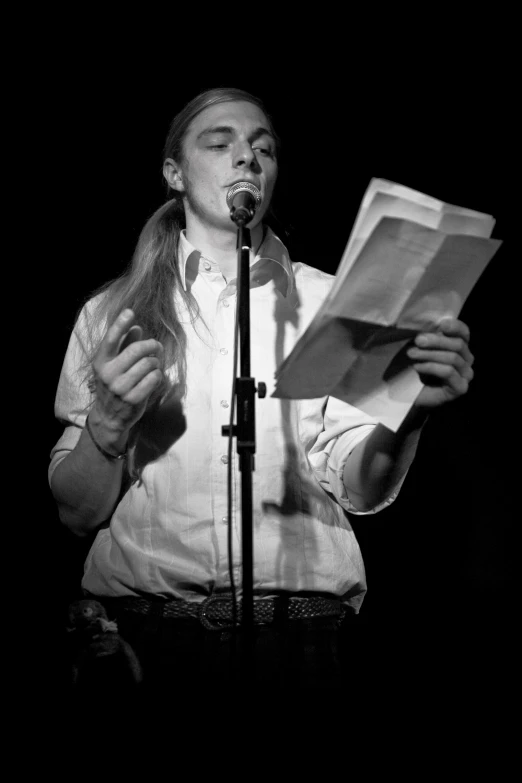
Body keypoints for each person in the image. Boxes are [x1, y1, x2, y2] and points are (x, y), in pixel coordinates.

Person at [49, 87, 474, 708]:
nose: (247, 158)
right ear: (174, 173)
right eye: (219, 144)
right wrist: (106, 428)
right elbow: (76, 514)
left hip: (299, 636)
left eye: (263, 149)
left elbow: (360, 488)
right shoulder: (114, 312)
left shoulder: (333, 301)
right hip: (149, 636)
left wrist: (411, 412)